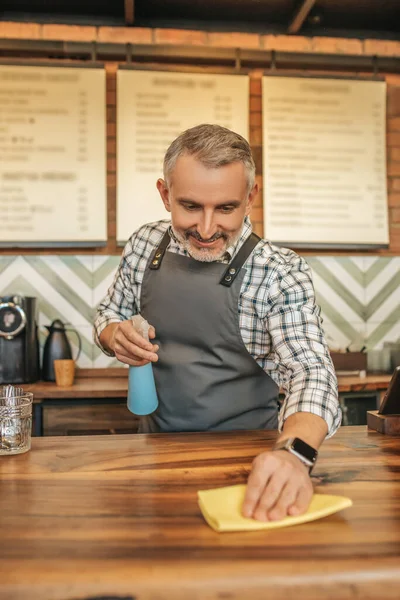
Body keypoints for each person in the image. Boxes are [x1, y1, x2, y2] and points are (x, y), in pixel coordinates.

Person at [94, 124, 341, 523]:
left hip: (252, 461)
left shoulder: (278, 272)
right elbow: (108, 313)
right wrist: (112, 335)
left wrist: (294, 454)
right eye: (190, 206)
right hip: (153, 450)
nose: (207, 229)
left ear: (250, 197)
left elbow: (311, 372)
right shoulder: (144, 245)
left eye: (225, 208)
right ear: (164, 194)